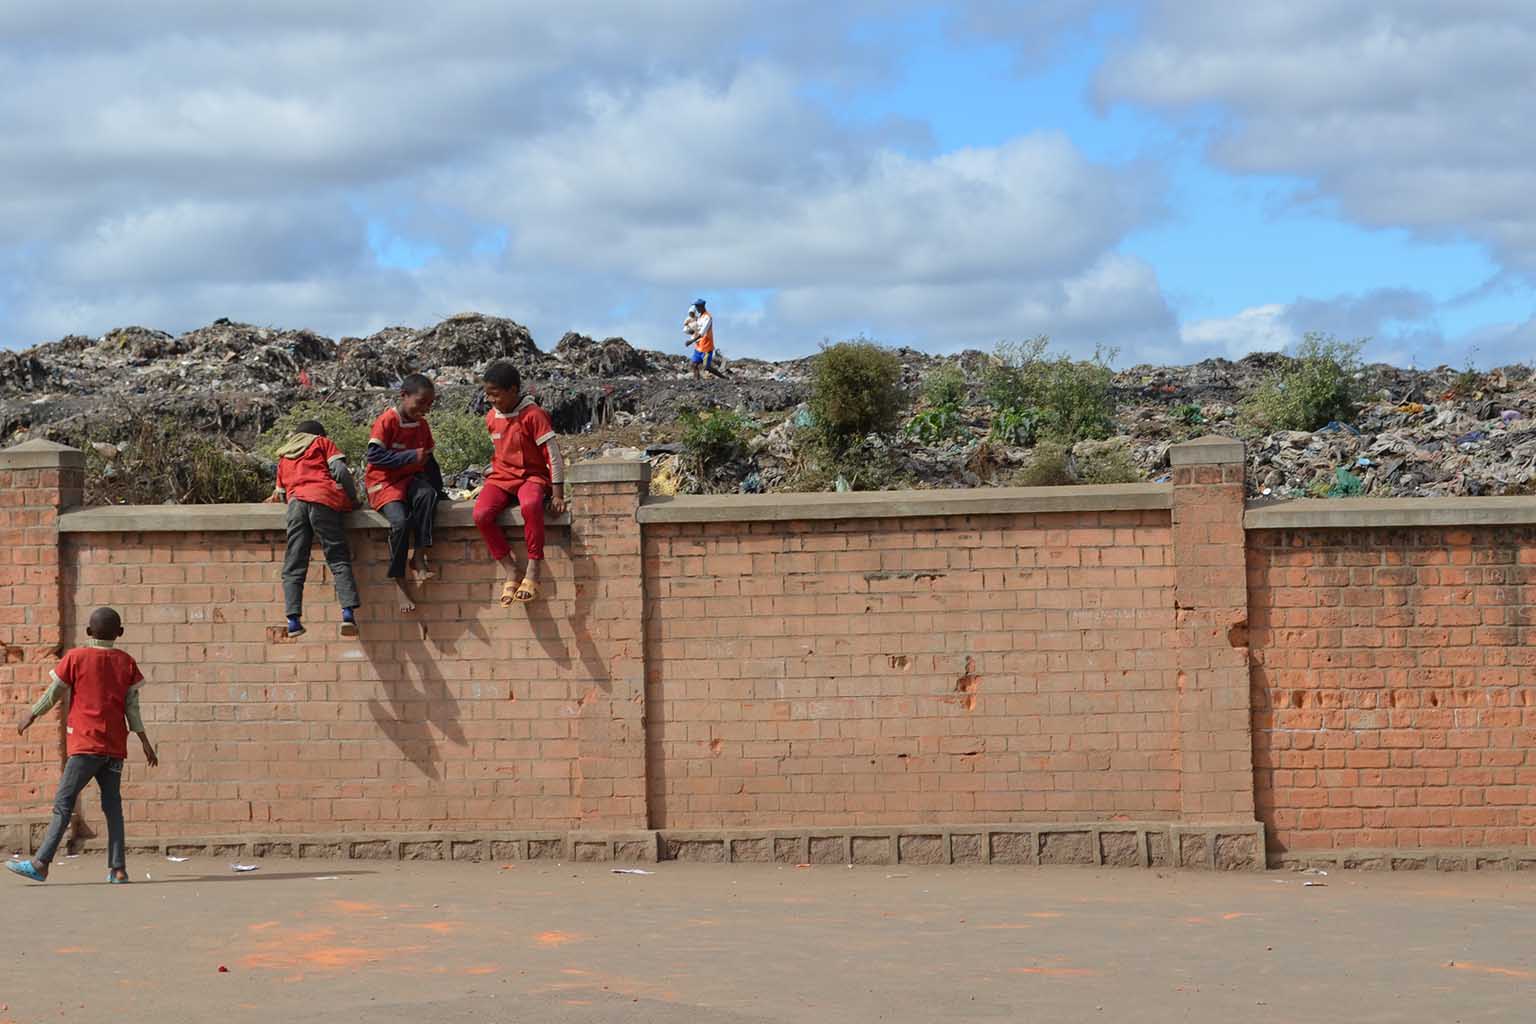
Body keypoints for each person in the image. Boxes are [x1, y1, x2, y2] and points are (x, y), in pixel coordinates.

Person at [7, 607, 158, 885]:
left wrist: (32, 713)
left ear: (88, 632)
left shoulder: (75, 657)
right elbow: (132, 707)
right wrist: (144, 741)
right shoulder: (126, 662)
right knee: (113, 808)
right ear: (120, 633)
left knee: (63, 804)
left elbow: (54, 692)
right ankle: (118, 869)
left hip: (85, 745)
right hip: (114, 747)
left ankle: (41, 864)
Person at [473, 361, 566, 606]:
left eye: (496, 394)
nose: (491, 399)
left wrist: (557, 494)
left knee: (531, 505)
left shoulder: (533, 415)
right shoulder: (492, 417)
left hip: (531, 477)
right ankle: (510, 568)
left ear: (513, 390)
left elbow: (553, 455)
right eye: (488, 394)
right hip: (501, 477)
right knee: (481, 514)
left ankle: (534, 565)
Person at [264, 419, 361, 638]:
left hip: (296, 505)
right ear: (319, 434)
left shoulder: (284, 456)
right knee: (337, 558)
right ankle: (347, 614)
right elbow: (340, 472)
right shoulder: (322, 443)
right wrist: (352, 499)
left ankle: (293, 620)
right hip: (323, 501)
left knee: (294, 562)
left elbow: (280, 495)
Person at [365, 374, 440, 613]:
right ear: (404, 396)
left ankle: (418, 556)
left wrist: (441, 491)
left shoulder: (422, 426)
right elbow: (374, 457)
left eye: (429, 404)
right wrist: (409, 456)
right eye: (421, 402)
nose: (425, 409)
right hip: (384, 483)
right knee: (400, 522)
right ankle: (398, 580)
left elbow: (429, 461)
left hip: (409, 480)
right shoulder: (387, 421)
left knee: (428, 496)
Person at [684, 298, 718, 379]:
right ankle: (697, 382)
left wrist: (691, 341)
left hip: (706, 346)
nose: (696, 309)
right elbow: (697, 329)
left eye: (697, 307)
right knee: (694, 365)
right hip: (699, 346)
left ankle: (724, 378)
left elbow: (702, 333)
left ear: (702, 306)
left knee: (707, 367)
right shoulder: (699, 317)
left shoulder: (708, 317)